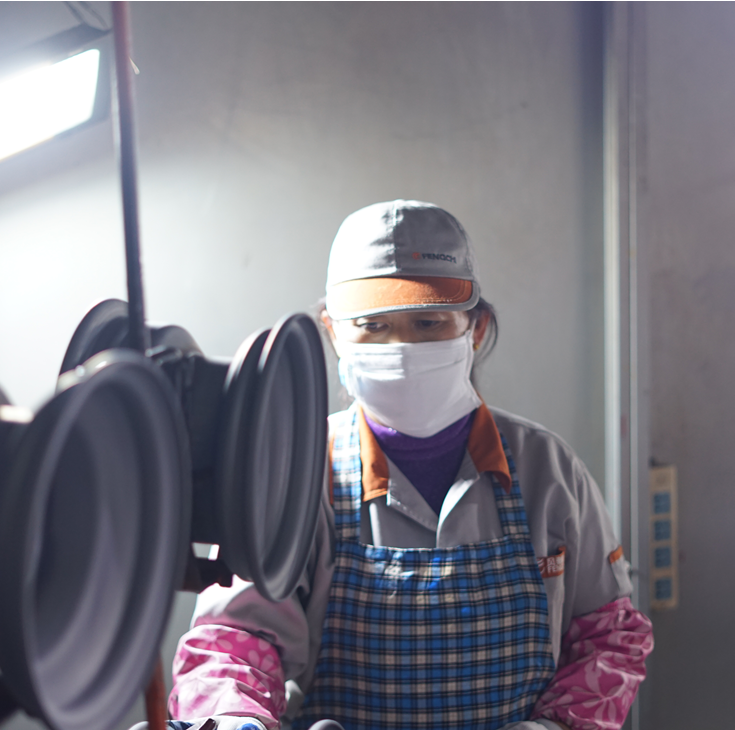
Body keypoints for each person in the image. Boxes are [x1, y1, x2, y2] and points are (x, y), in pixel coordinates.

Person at [169, 200, 653, 730]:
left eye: (428, 322)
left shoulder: (548, 469)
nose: (401, 348)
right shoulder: (294, 471)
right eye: (373, 325)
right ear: (332, 332)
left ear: (475, 327)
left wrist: (556, 726)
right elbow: (233, 641)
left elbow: (608, 635)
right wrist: (239, 719)